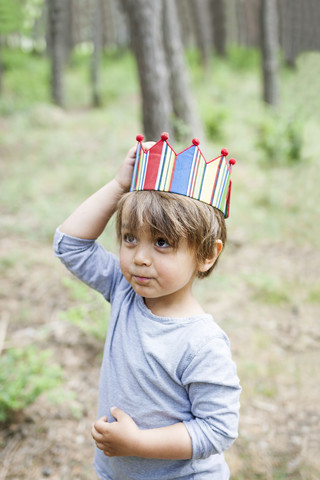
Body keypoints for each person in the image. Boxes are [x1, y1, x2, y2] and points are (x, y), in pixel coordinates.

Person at [53, 134, 241, 480]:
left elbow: (218, 429)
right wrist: (118, 185)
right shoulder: (125, 291)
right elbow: (71, 246)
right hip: (118, 472)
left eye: (161, 242)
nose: (139, 257)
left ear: (207, 254)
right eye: (129, 238)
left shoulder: (202, 343)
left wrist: (139, 443)